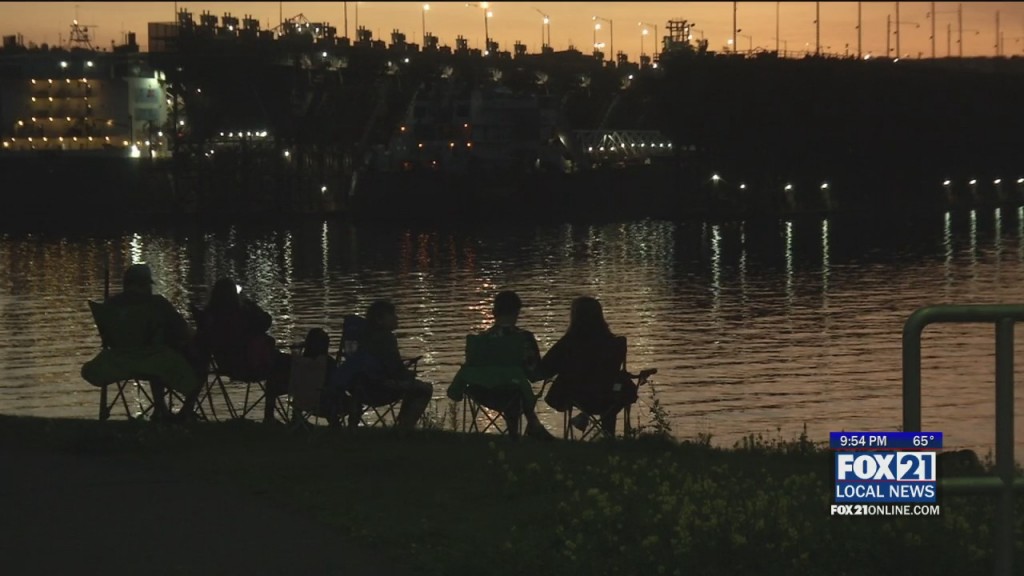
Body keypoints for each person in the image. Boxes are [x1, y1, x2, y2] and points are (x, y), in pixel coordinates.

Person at [82, 263, 205, 422]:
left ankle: (160, 409)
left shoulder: (110, 306)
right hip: (154, 360)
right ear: (144, 284)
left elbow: (107, 339)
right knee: (198, 359)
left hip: (118, 361)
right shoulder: (157, 304)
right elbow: (183, 331)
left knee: (156, 352)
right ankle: (185, 411)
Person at [447, 290, 554, 440]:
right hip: (511, 394)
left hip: (480, 392)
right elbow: (533, 373)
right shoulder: (523, 338)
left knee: (512, 385)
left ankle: (530, 427)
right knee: (516, 389)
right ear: (516, 312)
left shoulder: (479, 341)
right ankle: (528, 429)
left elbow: (472, 367)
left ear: (494, 312)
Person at [197, 277, 291, 424]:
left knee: (280, 364)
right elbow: (265, 321)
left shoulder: (210, 316)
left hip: (227, 366)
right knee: (289, 365)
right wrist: (249, 303)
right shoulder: (242, 314)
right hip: (250, 365)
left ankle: (274, 415)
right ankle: (274, 415)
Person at [540, 296, 638, 436]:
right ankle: (608, 435)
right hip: (609, 396)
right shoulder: (614, 343)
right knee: (615, 388)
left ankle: (585, 417)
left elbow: (547, 367)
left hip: (580, 396)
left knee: (570, 384)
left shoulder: (570, 343)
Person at [349, 299, 433, 431]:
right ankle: (403, 429)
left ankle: (399, 427)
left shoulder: (361, 338)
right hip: (380, 388)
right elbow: (394, 370)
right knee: (424, 389)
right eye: (392, 315)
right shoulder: (387, 338)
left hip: (358, 387)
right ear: (380, 320)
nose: (396, 318)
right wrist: (408, 374)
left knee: (411, 385)